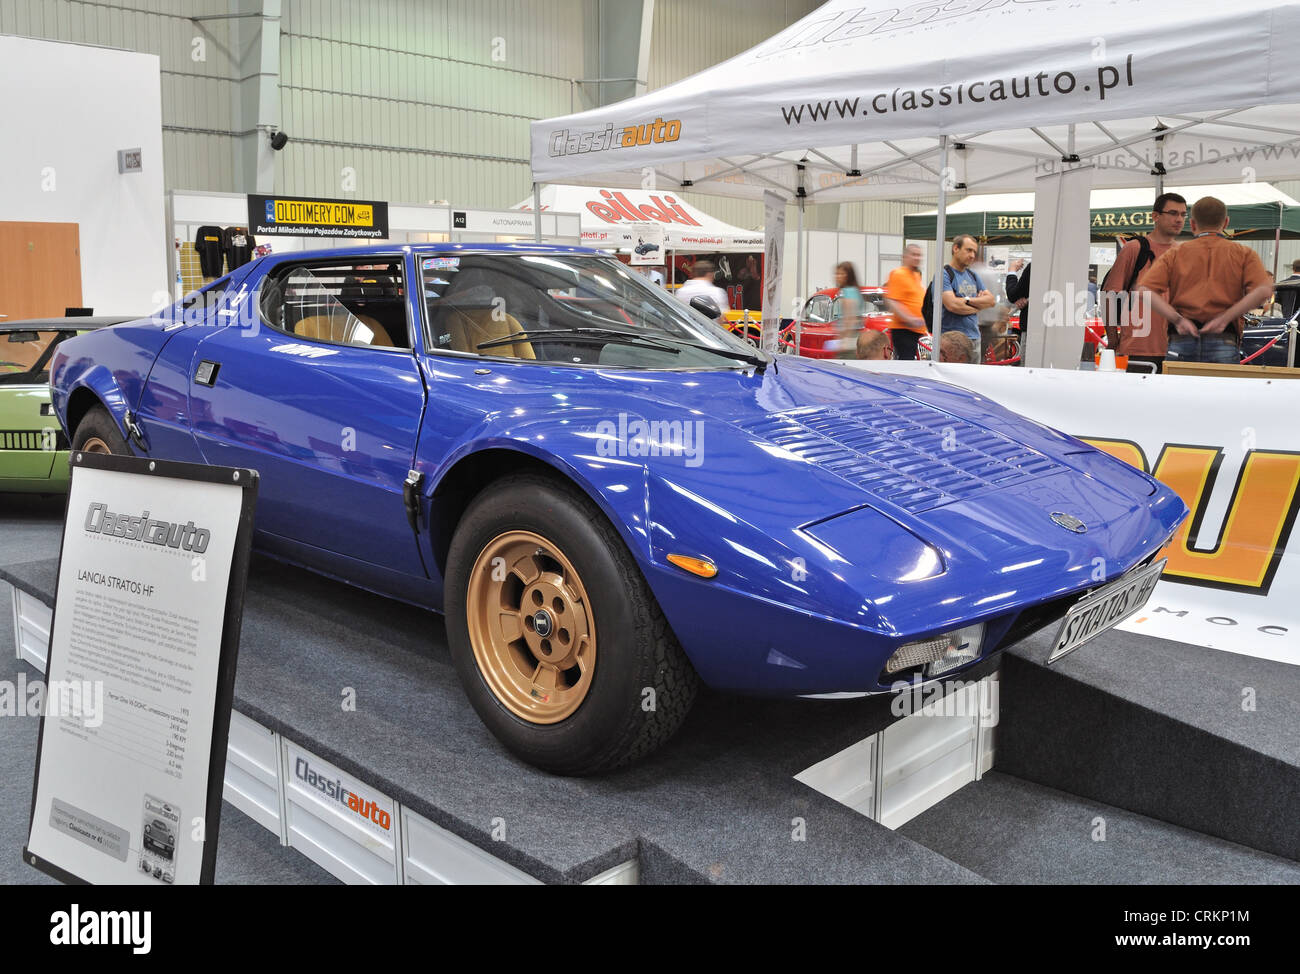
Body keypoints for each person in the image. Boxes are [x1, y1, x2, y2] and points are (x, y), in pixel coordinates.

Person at [1137, 196, 1274, 366]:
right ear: (1226, 223)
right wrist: (1225, 318)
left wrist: (1177, 320)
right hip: (1224, 337)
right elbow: (1263, 291)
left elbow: (1144, 291)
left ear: (1193, 224)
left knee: (1178, 392)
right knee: (1219, 392)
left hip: (1182, 338)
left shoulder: (1175, 253)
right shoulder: (1244, 253)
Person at [1101, 193, 1186, 373]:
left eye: (1183, 214)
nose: (1179, 219)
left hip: (1175, 349)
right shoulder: (1135, 248)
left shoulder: (1183, 253)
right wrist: (1113, 340)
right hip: (1136, 347)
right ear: (1155, 216)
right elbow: (1110, 295)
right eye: (1173, 213)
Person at [940, 235, 996, 350]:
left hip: (974, 339)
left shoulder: (973, 275)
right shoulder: (944, 274)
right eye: (969, 250)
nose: (972, 256)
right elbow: (952, 305)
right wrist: (979, 306)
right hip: (953, 342)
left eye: (974, 252)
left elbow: (991, 301)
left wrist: (966, 301)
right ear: (956, 249)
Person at [885, 244, 927, 361]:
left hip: (917, 330)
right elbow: (893, 301)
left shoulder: (916, 275)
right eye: (913, 254)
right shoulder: (898, 274)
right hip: (904, 330)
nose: (917, 258)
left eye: (919, 255)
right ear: (905, 256)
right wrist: (910, 319)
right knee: (907, 361)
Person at [832, 261, 863, 358]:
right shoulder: (855, 290)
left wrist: (843, 338)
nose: (838, 276)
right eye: (837, 273)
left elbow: (849, 318)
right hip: (855, 338)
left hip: (849, 339)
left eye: (841, 274)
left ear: (849, 276)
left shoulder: (847, 292)